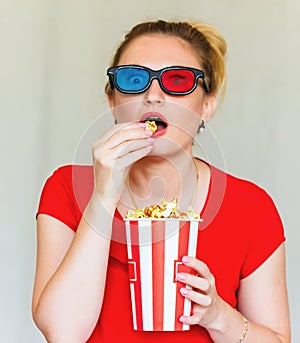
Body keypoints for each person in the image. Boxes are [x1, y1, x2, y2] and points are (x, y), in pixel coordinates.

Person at [32, 19, 291, 343]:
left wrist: (218, 316)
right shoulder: (67, 190)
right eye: (134, 79)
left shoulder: (251, 208)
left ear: (206, 106)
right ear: (113, 101)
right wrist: (103, 196)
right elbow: (63, 333)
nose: (153, 95)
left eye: (177, 81)